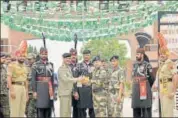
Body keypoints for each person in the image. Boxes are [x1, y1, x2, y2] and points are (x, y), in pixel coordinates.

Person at [58, 53, 84, 117]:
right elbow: (66, 79)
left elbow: (71, 81)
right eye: (67, 58)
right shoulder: (61, 69)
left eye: (69, 58)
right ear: (63, 59)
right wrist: (77, 79)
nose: (68, 60)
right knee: (64, 113)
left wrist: (74, 91)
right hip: (64, 94)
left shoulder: (68, 68)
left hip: (68, 93)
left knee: (68, 113)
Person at [31, 47, 54, 118]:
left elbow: (52, 79)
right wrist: (34, 91)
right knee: (40, 108)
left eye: (46, 54)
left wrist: (53, 90)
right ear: (40, 54)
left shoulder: (51, 64)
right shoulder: (35, 65)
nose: (44, 55)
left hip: (49, 89)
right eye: (42, 54)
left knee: (49, 108)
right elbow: (33, 79)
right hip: (40, 89)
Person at [131, 48, 154, 118]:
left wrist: (147, 87)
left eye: (138, 54)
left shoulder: (147, 65)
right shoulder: (134, 65)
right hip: (136, 91)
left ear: (142, 55)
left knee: (145, 110)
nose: (136, 56)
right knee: (136, 109)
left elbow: (152, 79)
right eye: (136, 54)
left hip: (144, 90)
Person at [153, 48, 175, 117]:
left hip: (168, 91)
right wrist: (155, 86)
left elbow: (176, 76)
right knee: (163, 113)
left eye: (163, 53)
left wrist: (173, 92)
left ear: (167, 54)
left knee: (168, 112)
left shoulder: (170, 63)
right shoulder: (161, 65)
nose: (162, 55)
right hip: (162, 92)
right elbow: (159, 78)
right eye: (160, 54)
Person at [7, 51, 29, 117]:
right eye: (20, 56)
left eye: (23, 56)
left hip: (23, 88)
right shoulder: (12, 65)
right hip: (15, 87)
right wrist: (11, 90)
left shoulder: (25, 67)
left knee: (22, 110)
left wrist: (27, 93)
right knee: (14, 110)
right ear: (17, 56)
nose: (22, 58)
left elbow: (26, 81)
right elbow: (8, 79)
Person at [75, 49, 95, 118]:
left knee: (92, 111)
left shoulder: (94, 65)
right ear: (83, 56)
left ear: (90, 55)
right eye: (85, 55)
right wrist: (75, 91)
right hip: (81, 91)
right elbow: (75, 79)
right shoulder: (78, 65)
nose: (86, 56)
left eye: (88, 55)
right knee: (81, 112)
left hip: (91, 91)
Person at [25, 53, 37, 118]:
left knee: (31, 111)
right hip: (26, 92)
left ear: (34, 59)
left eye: (30, 59)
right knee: (26, 110)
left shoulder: (37, 67)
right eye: (28, 59)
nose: (29, 61)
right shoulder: (25, 67)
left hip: (33, 92)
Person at [69, 48, 79, 118]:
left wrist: (76, 91)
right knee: (67, 110)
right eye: (72, 55)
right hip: (69, 91)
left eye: (75, 55)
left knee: (77, 109)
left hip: (78, 91)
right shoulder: (67, 66)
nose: (73, 56)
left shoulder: (79, 65)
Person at [0, 53, 10, 117]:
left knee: (6, 111)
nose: (4, 60)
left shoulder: (5, 67)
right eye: (3, 58)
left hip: (4, 92)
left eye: (4, 58)